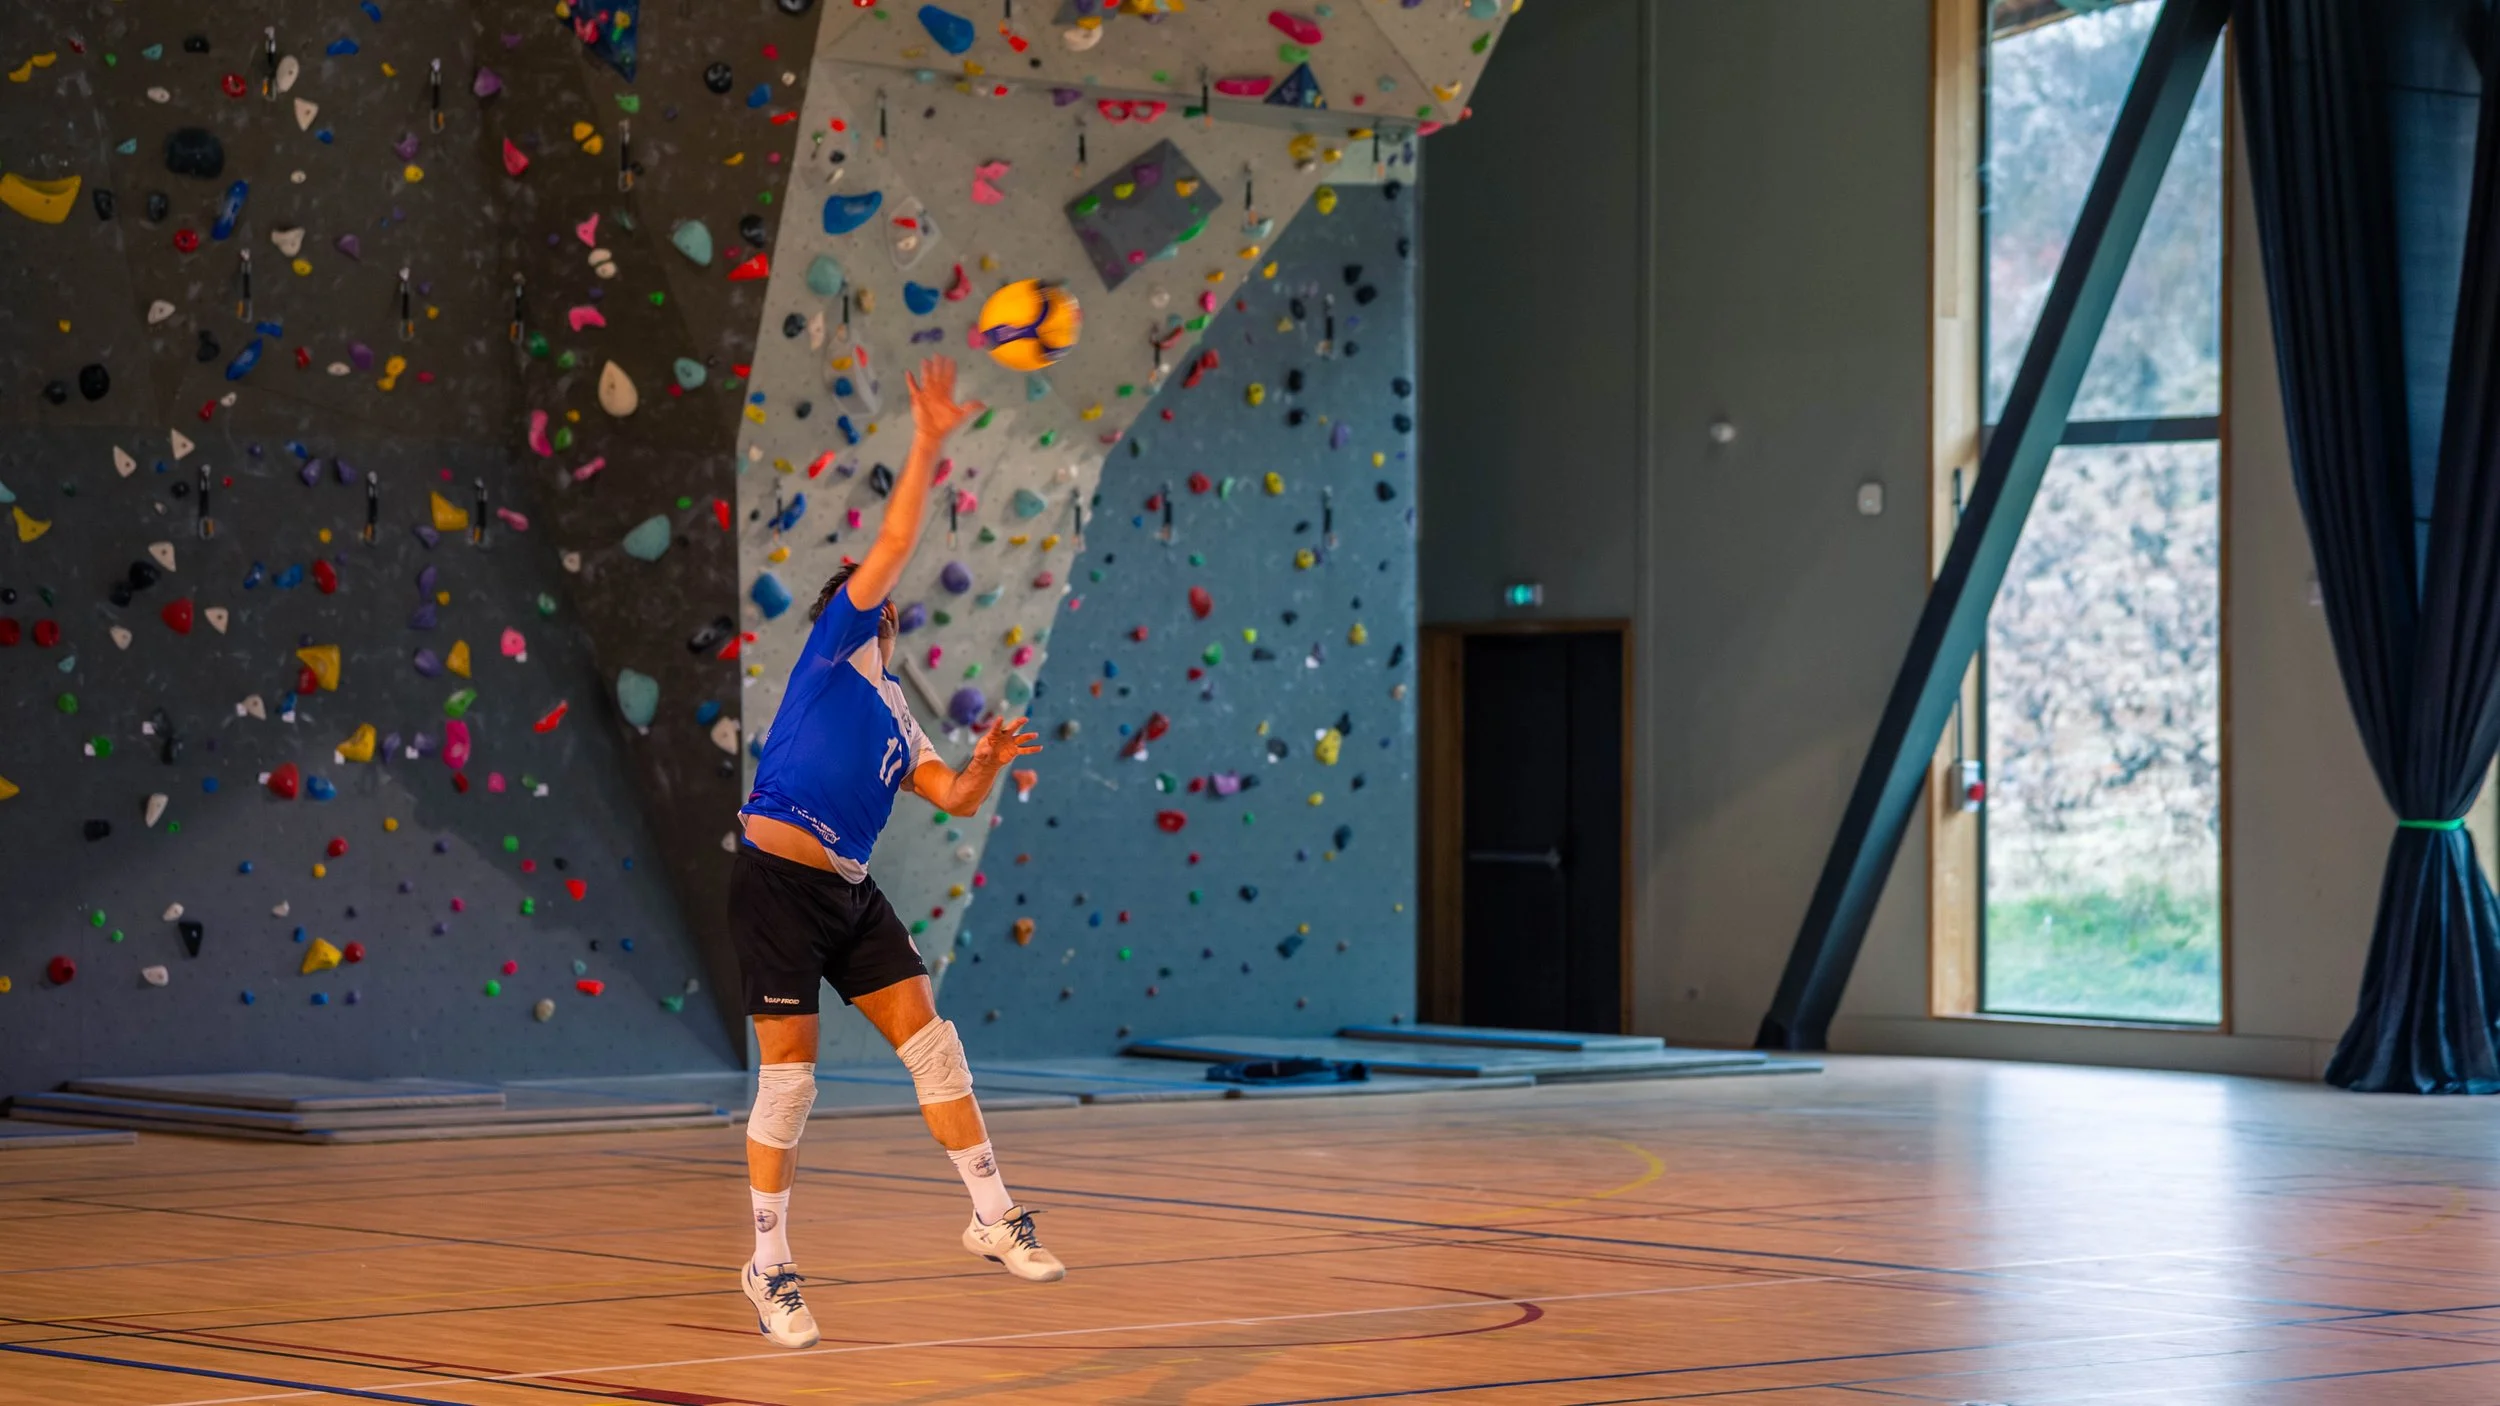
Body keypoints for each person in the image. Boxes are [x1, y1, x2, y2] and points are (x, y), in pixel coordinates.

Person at [731, 355, 1057, 1350]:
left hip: (849, 892)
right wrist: (926, 439)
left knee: (934, 1046)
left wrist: (986, 761)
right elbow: (897, 537)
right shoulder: (834, 648)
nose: (888, 594)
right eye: (877, 589)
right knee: (789, 1082)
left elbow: (952, 796)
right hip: (776, 883)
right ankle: (768, 1266)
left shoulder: (898, 712)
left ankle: (993, 1215)